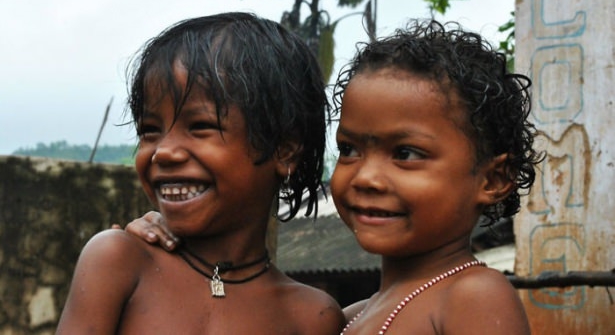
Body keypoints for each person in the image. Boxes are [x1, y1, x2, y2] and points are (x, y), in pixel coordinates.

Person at [125, 19, 543, 334]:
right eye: (349, 150)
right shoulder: (345, 319)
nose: (366, 177)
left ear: (493, 180)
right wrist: (174, 237)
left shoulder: (473, 297)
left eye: (405, 154)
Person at [56, 12, 345, 334]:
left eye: (200, 126)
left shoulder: (312, 317)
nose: (164, 151)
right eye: (149, 130)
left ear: (284, 150)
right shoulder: (117, 261)